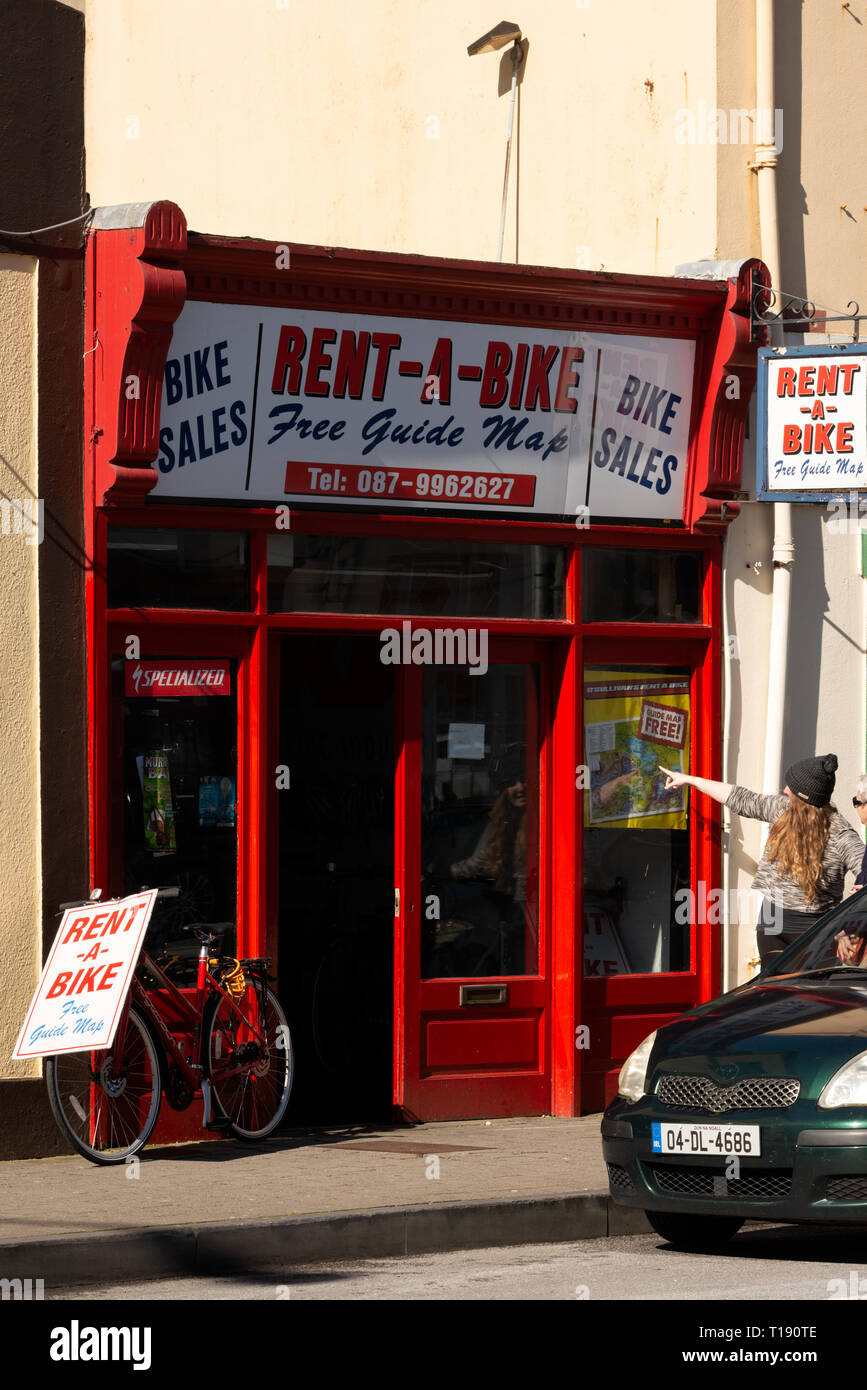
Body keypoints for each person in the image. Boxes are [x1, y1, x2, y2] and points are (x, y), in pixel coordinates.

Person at [660, 754, 865, 968]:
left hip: (815, 932)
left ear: (804, 798)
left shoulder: (841, 835)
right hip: (771, 925)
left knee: (811, 997)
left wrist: (845, 923)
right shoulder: (782, 809)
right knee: (777, 993)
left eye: (791, 788)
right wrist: (689, 780)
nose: (785, 790)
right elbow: (739, 797)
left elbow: (865, 873)